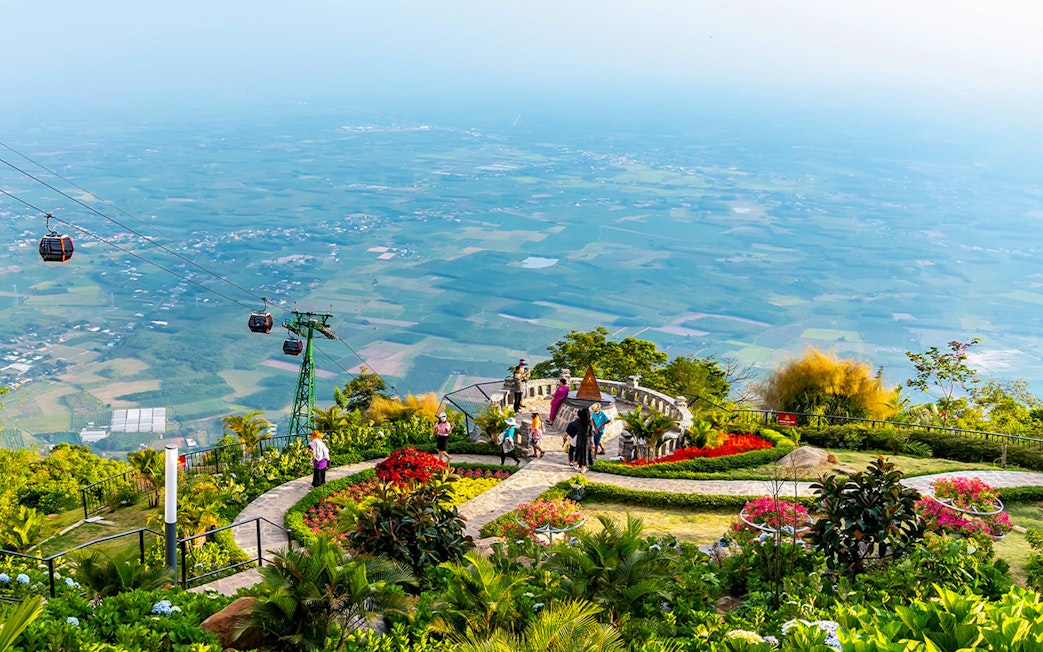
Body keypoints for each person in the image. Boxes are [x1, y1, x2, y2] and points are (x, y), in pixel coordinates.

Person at [566, 407, 595, 472]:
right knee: (585, 453)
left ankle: (576, 464)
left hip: (579, 439)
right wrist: (592, 442)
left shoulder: (578, 421)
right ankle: (583, 468)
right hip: (586, 440)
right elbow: (590, 434)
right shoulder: (588, 423)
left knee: (578, 452)